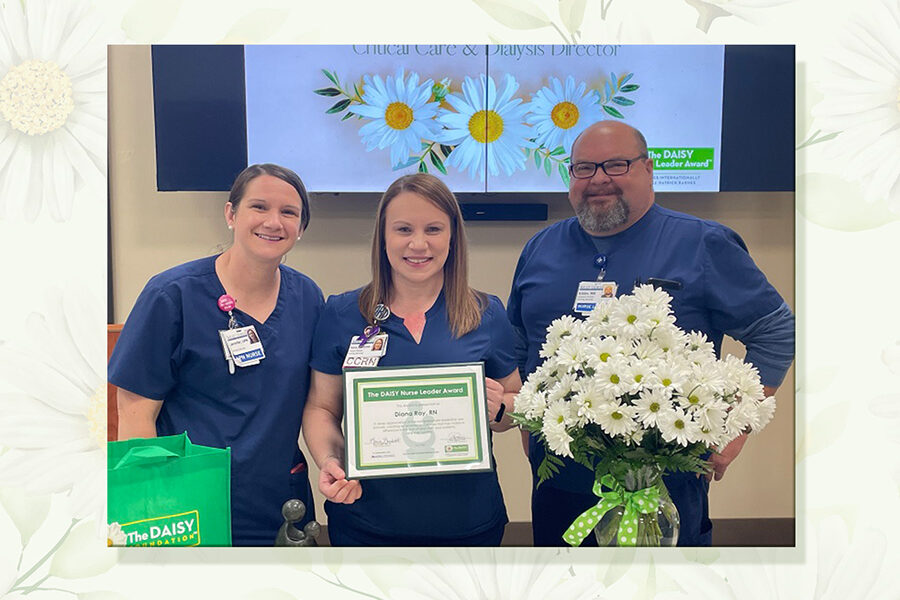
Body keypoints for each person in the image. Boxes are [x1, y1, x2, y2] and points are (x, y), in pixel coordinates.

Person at [507, 121, 794, 546]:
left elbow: (775, 329)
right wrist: (524, 424)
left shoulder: (703, 244)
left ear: (649, 168)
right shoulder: (540, 249)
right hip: (559, 484)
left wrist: (737, 426)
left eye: (616, 164)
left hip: (666, 488)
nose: (599, 179)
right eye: (583, 168)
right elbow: (518, 344)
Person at [108, 163, 324, 546]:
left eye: (289, 212)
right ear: (231, 214)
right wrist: (153, 512)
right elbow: (135, 412)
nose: (273, 222)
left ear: (301, 227)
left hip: (279, 502)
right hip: (188, 504)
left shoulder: (308, 297)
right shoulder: (172, 295)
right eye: (259, 207)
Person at [303, 172, 521, 546]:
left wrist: (500, 408)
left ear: (453, 237)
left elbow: (519, 405)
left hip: (467, 522)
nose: (418, 244)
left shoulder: (487, 313)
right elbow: (321, 408)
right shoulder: (341, 312)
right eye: (403, 229)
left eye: (433, 229)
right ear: (383, 237)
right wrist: (329, 461)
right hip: (365, 521)